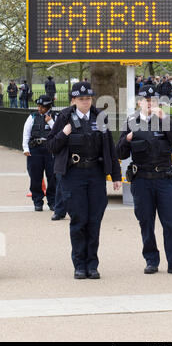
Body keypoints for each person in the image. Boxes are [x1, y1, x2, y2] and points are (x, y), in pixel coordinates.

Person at [46, 81, 122, 279]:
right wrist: (64, 133)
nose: (85, 102)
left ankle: (92, 265)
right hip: (73, 175)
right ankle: (79, 265)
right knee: (79, 220)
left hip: (95, 173)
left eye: (88, 98)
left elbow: (110, 149)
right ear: (73, 100)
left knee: (94, 221)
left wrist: (115, 175)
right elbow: (52, 146)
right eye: (81, 99)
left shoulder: (100, 117)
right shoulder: (64, 117)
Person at [116, 84, 172, 276]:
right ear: (139, 102)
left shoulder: (164, 120)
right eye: (146, 100)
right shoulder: (131, 121)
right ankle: (151, 260)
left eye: (153, 101)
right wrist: (128, 139)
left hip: (164, 178)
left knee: (171, 222)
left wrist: (164, 118)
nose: (150, 104)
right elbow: (120, 152)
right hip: (142, 180)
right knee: (146, 222)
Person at [22, 95, 57, 211]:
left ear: (48, 107)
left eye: (42, 107)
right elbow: (26, 133)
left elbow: (59, 132)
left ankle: (52, 201)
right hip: (35, 149)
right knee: (35, 176)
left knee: (52, 176)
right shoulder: (32, 116)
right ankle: (37, 201)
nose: (39, 109)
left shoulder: (55, 116)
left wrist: (50, 122)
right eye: (38, 106)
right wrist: (25, 148)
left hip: (50, 149)